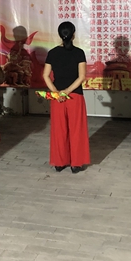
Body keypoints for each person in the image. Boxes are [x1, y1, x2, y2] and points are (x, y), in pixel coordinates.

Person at [42, 21, 90, 173]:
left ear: (59, 35)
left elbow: (45, 76)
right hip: (74, 96)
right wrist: (67, 92)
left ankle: (59, 162)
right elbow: (81, 77)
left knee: (59, 130)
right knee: (76, 130)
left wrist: (57, 93)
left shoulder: (52, 53)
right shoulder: (79, 53)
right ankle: (76, 163)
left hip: (57, 98)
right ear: (73, 35)